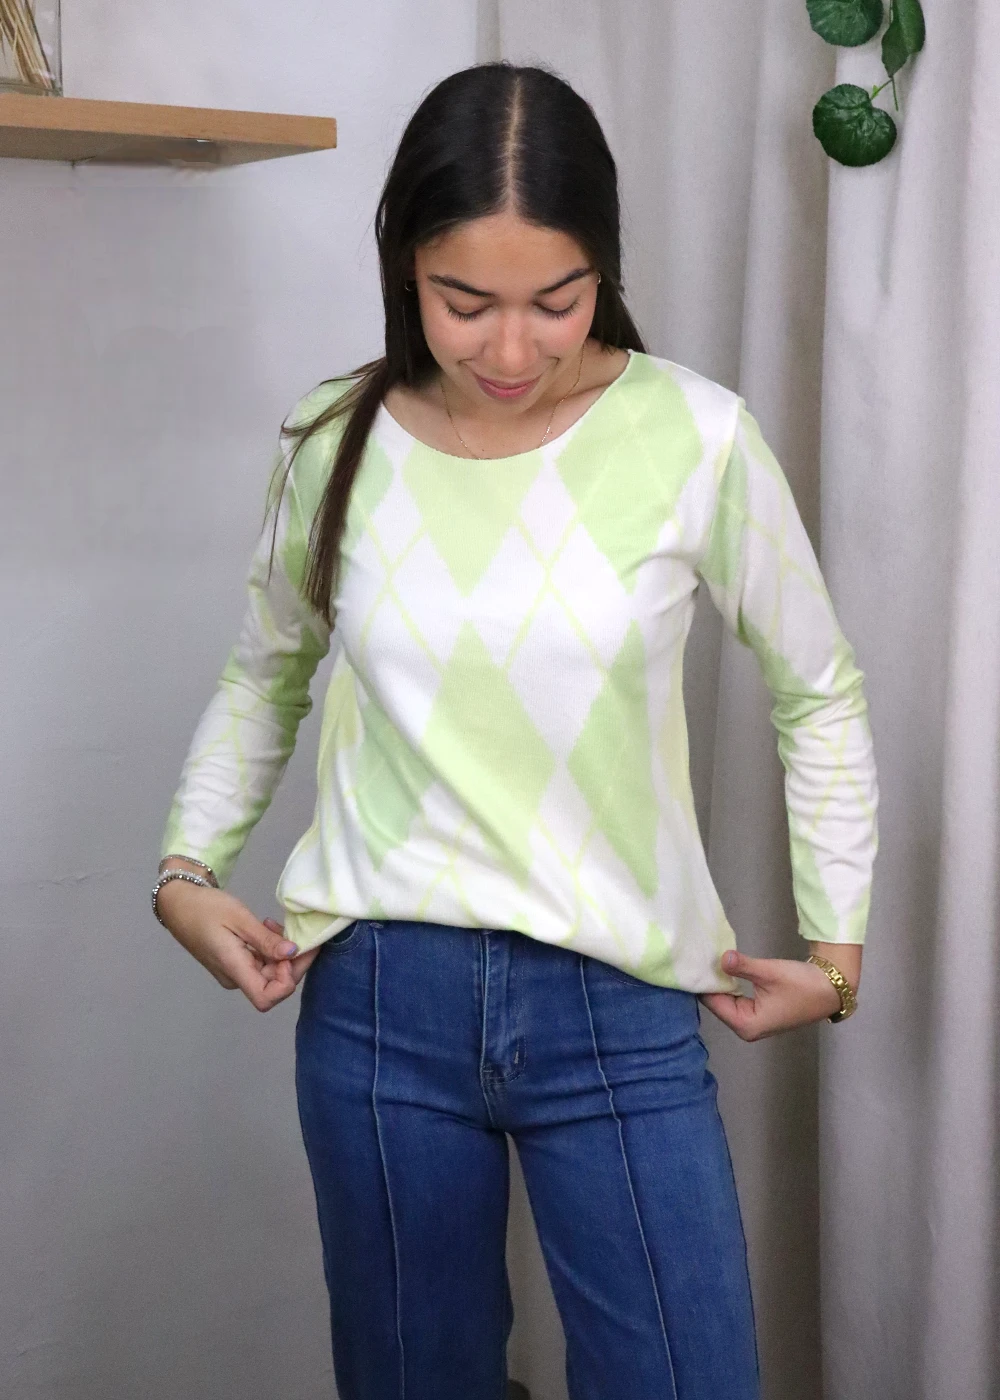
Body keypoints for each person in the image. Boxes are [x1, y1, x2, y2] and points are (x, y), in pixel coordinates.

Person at [152, 61, 878, 1400]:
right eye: (463, 302)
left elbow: (817, 685)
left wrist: (837, 954)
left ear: (604, 266)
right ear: (404, 266)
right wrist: (185, 872)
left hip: (618, 999)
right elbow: (264, 677)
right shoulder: (332, 439)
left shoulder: (697, 437)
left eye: (556, 300)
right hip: (378, 1005)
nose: (507, 351)